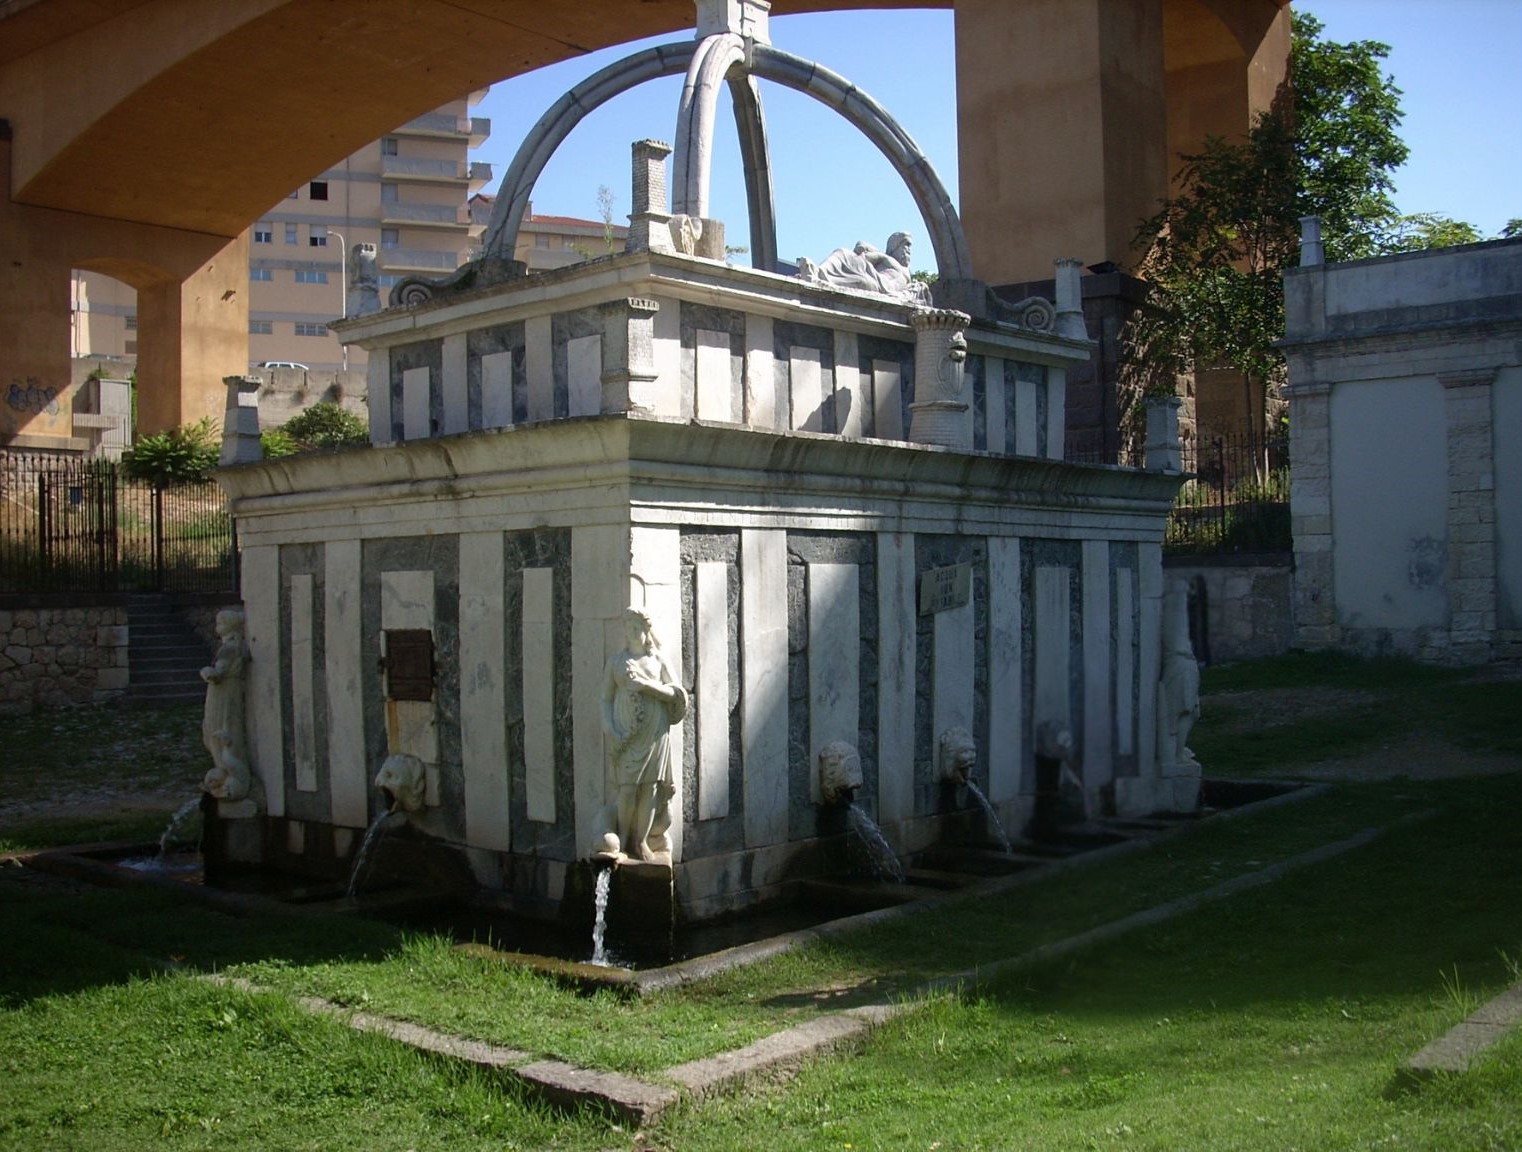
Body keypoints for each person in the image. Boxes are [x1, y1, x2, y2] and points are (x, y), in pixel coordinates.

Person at [601, 608, 688, 862]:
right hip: (627, 734)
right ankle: (624, 838)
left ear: (645, 631)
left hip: (655, 732)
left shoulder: (658, 660)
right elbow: (605, 699)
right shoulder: (616, 663)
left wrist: (647, 686)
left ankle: (640, 842)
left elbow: (676, 694)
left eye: (636, 628)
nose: (632, 633)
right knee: (627, 789)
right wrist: (610, 728)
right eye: (628, 628)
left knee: (649, 789)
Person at [797, 231, 932, 304]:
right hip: (874, 276)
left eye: (910, 246)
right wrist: (872, 251)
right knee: (842, 253)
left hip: (878, 286)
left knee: (861, 281)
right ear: (894, 246)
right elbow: (863, 257)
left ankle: (824, 281)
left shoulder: (908, 275)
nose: (908, 249)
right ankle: (818, 272)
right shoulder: (887, 259)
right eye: (905, 244)